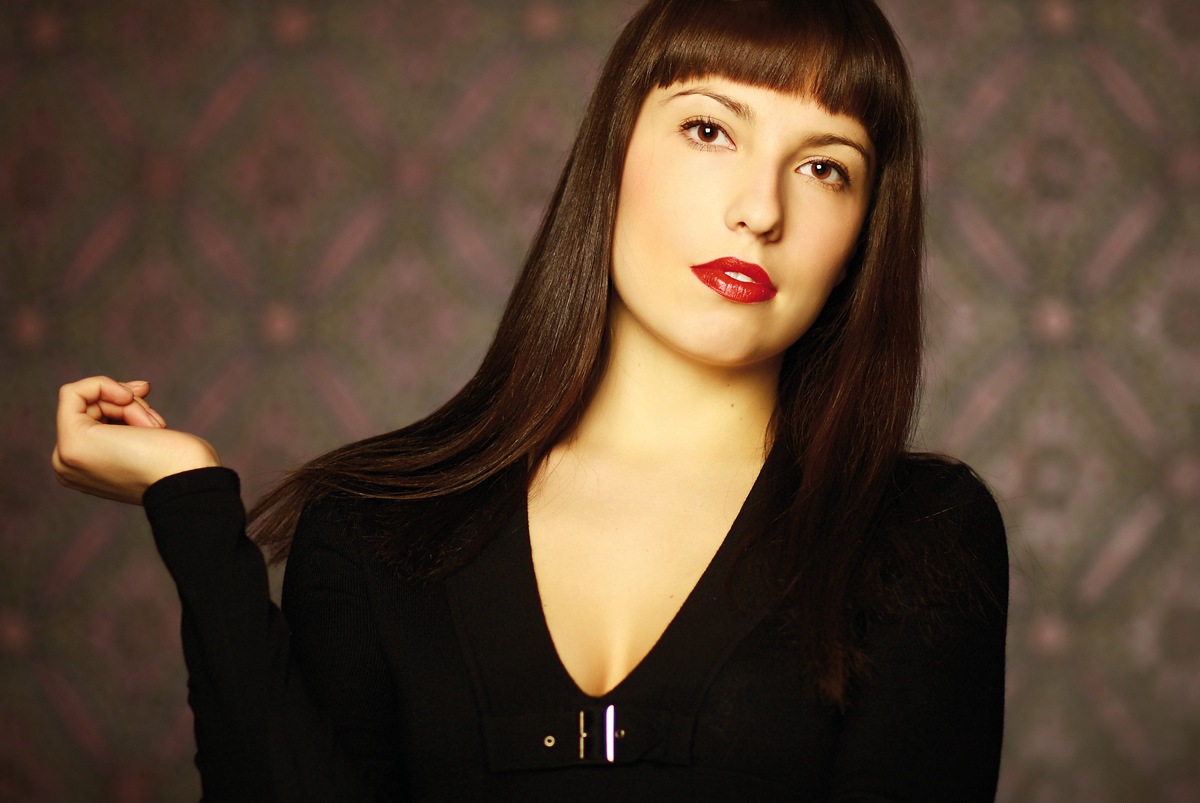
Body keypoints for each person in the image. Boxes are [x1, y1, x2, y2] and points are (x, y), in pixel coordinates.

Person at [52, 0, 1009, 800]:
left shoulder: (920, 535)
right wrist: (189, 502)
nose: (761, 210)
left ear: (863, 234)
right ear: (612, 152)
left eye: (824, 166)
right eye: (709, 129)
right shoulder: (375, 526)